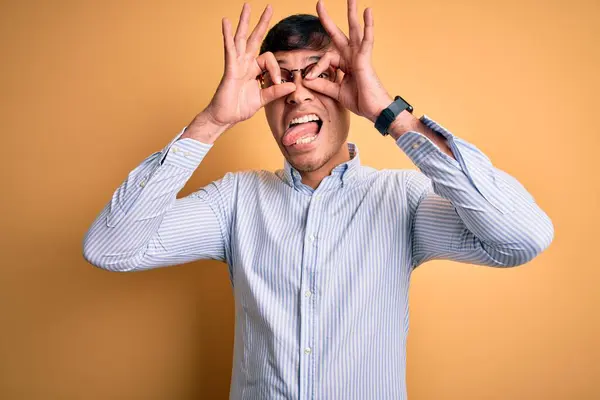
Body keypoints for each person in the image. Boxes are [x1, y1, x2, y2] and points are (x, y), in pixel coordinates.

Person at [82, 0, 554, 398]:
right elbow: (110, 249)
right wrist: (213, 120)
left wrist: (388, 112)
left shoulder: (401, 201)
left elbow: (522, 238)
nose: (298, 96)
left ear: (347, 91)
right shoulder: (234, 202)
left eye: (319, 76)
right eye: (282, 81)